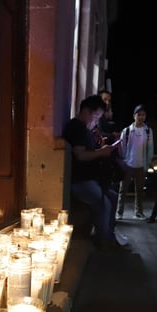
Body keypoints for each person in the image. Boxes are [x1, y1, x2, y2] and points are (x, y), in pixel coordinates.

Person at [62, 94, 124, 249]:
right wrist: (102, 152)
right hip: (79, 181)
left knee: (113, 196)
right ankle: (103, 240)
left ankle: (108, 234)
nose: (97, 121)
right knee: (104, 204)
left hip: (90, 178)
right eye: (96, 117)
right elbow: (81, 155)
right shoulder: (76, 127)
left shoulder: (86, 129)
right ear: (86, 112)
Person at [116, 104, 155, 219]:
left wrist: (147, 163)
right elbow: (122, 147)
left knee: (139, 190)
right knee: (123, 190)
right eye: (139, 115)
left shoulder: (148, 131)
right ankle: (119, 212)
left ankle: (138, 212)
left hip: (141, 165)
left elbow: (150, 148)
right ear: (134, 116)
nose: (141, 117)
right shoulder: (127, 131)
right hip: (128, 164)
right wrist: (124, 161)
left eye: (143, 115)